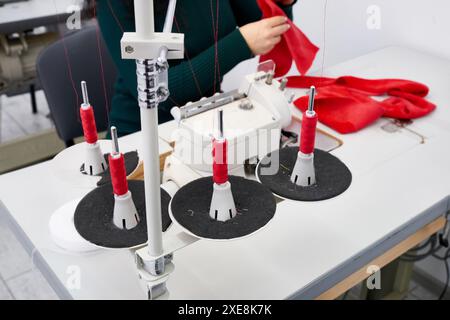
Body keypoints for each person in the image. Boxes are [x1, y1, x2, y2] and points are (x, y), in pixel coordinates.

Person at [97, 0, 296, 136]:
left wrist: (283, 3)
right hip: (143, 134)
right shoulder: (112, 4)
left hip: (206, 120)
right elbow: (160, 90)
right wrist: (241, 43)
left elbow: (266, 27)